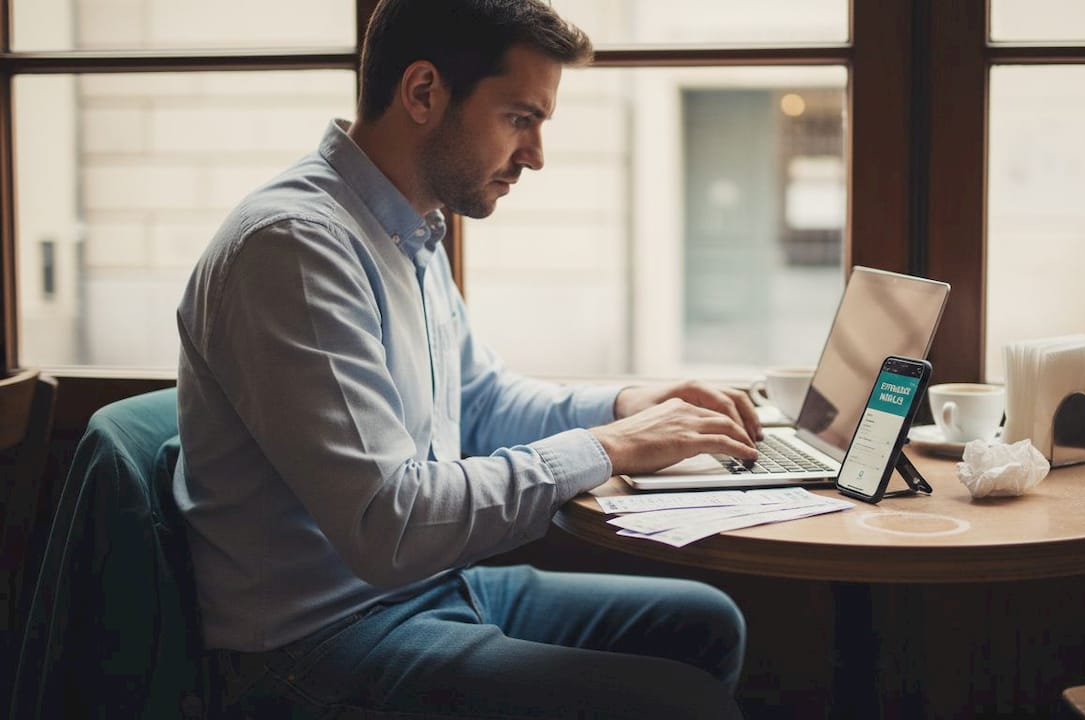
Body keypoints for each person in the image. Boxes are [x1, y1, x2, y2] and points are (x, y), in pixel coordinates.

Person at [173, 1, 765, 717]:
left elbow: (481, 405)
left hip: (421, 591)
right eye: (520, 118)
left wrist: (625, 407)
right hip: (319, 641)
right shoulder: (295, 248)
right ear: (423, 93)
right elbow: (386, 526)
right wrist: (610, 448)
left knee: (704, 622)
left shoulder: (408, 229)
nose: (536, 154)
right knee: (677, 703)